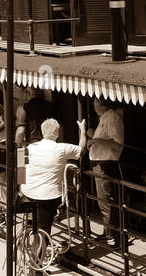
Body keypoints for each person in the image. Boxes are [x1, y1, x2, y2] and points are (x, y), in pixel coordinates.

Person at [20, 117, 86, 240]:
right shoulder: (62, 148)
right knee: (44, 229)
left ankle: (27, 245)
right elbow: (81, 151)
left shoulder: (30, 147)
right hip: (48, 196)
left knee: (30, 224)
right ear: (57, 134)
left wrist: (20, 185)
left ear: (42, 132)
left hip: (28, 192)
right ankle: (40, 255)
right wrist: (82, 130)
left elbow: (19, 162)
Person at [89, 97, 125, 246]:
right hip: (101, 162)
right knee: (103, 199)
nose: (93, 106)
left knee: (105, 200)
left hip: (106, 163)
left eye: (95, 103)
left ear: (100, 104)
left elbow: (117, 143)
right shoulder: (107, 117)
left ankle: (112, 235)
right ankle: (108, 232)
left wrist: (95, 141)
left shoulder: (112, 118)